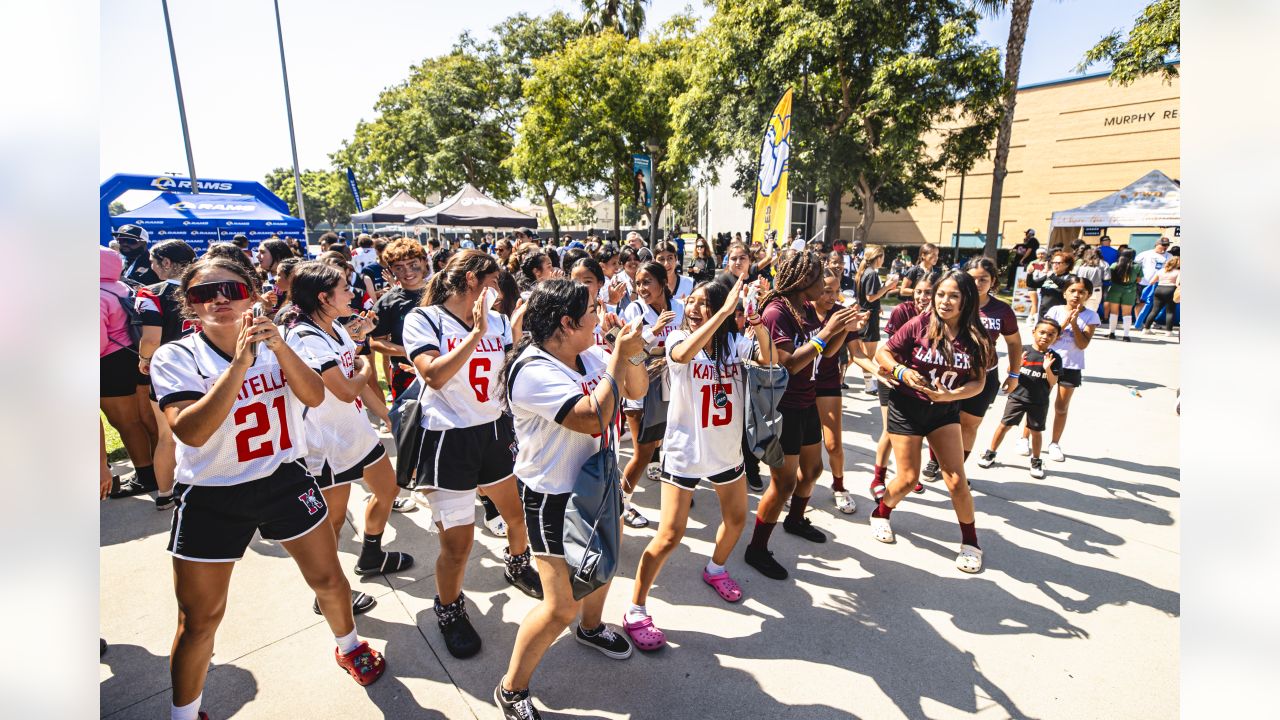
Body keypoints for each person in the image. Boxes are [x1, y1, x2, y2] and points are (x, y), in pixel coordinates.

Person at [150, 257, 385, 720]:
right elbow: (190, 432)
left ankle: (348, 644)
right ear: (189, 306)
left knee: (329, 579)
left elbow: (315, 396)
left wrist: (276, 349)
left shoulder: (280, 343)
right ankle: (185, 711)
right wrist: (239, 363)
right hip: (213, 491)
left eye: (232, 290)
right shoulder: (176, 356)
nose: (219, 299)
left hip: (282, 476)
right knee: (199, 619)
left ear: (254, 295)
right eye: (204, 293)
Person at [495, 280, 648, 720]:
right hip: (552, 497)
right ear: (566, 323)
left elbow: (635, 390)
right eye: (591, 311)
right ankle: (511, 688)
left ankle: (593, 627)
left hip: (598, 483)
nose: (599, 316)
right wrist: (618, 357)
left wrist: (630, 352)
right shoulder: (531, 369)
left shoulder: (591, 354)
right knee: (559, 605)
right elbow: (593, 419)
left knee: (602, 567)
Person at [401, 250, 542, 658]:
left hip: (494, 431)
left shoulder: (499, 320)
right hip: (449, 439)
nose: (499, 289)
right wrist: (476, 334)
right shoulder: (423, 319)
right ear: (469, 281)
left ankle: (517, 566)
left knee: (517, 516)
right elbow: (433, 375)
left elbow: (510, 369)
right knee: (458, 545)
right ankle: (449, 609)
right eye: (492, 280)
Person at [624, 273, 776, 650]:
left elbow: (770, 360)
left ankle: (716, 569)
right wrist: (721, 312)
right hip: (685, 453)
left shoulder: (733, 344)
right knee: (669, 536)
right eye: (690, 300)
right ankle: (636, 608)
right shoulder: (678, 337)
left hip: (726, 451)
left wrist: (757, 329)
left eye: (703, 303)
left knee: (737, 519)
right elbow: (680, 355)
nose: (692, 307)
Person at [281, 261, 414, 618]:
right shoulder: (303, 336)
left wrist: (389, 417)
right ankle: (327, 590)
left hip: (354, 430)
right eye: (343, 289)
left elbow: (352, 377)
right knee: (332, 523)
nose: (352, 293)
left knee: (388, 490)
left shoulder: (332, 327)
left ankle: (371, 554)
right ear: (323, 297)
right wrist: (367, 368)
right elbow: (343, 388)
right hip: (324, 443)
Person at [745, 251, 865, 580]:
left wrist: (842, 327)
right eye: (817, 278)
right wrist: (827, 331)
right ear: (802, 280)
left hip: (806, 401)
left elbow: (824, 357)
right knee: (782, 483)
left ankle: (795, 519)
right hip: (781, 407)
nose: (824, 284)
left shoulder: (805, 309)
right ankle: (756, 548)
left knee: (812, 469)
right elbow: (789, 362)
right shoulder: (776, 311)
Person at [872, 270, 995, 573]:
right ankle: (881, 513)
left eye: (953, 295)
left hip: (944, 412)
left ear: (966, 299)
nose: (945, 301)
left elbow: (978, 383)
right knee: (909, 478)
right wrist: (902, 372)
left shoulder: (977, 337)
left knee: (956, 480)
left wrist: (949, 396)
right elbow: (883, 353)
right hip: (907, 408)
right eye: (941, 294)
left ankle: (970, 542)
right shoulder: (919, 324)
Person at [922, 256, 1022, 481]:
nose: (978, 284)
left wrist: (1014, 374)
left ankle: (957, 468)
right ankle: (934, 460)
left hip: (984, 376)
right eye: (973, 279)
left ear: (993, 281)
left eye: (984, 279)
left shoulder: (1002, 310)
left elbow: (1015, 343)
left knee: (969, 424)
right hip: (949, 373)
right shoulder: (950, 304)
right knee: (939, 420)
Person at [619, 261, 685, 528]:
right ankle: (622, 503)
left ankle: (680, 492)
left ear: (663, 283)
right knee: (642, 453)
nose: (641, 288)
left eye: (647, 282)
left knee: (669, 443)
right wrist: (654, 331)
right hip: (641, 386)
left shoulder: (679, 307)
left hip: (674, 384)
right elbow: (629, 352)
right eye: (637, 283)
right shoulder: (635, 310)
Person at [136, 239, 199, 510]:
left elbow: (151, 339)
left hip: (170, 371)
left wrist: (144, 359)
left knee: (167, 436)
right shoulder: (205, 287)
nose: (151, 266)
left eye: (153, 261)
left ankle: (164, 493)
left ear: (166, 262)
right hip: (207, 367)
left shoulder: (151, 293)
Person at [1020, 276, 1099, 462]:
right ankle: (1024, 438)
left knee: (1061, 407)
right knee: (1034, 402)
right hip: (1047, 361)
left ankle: (1054, 443)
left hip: (1071, 366)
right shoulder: (1055, 311)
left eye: (1082, 292)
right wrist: (1066, 321)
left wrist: (1075, 323)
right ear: (1065, 293)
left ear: (1088, 295)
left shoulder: (1091, 316)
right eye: (1072, 291)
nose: (1076, 295)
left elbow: (1082, 344)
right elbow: (1049, 337)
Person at [101, 246, 159, 498]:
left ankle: (146, 476)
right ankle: (159, 469)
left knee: (126, 423)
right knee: (144, 419)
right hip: (133, 358)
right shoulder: (122, 286)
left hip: (110, 364)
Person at [813, 268, 872, 514]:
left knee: (834, 444)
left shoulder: (843, 313)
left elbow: (857, 354)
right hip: (798, 385)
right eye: (827, 291)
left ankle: (839, 486)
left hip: (827, 383)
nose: (832, 297)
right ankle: (795, 486)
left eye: (837, 291)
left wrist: (882, 373)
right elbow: (822, 350)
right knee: (801, 447)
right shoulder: (800, 311)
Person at [871, 275, 934, 501]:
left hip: (919, 383)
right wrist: (902, 371)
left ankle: (906, 476)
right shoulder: (902, 311)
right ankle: (878, 478)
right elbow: (891, 350)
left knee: (915, 432)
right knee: (890, 430)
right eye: (918, 291)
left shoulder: (941, 318)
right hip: (894, 377)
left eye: (928, 292)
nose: (922, 297)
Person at [977, 318, 1062, 479]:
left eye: (1051, 334)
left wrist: (1047, 368)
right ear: (1034, 332)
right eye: (1042, 332)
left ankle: (1036, 460)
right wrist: (1019, 364)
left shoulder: (1054, 357)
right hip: (1017, 397)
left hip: (1039, 401)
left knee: (1036, 431)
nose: (1045, 336)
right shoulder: (1024, 350)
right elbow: (1011, 370)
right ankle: (990, 453)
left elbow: (1052, 382)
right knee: (1004, 425)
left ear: (1057, 337)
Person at [369, 238, 431, 402]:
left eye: (412, 264)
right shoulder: (387, 302)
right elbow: (376, 342)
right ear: (391, 270)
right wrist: (409, 351)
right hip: (405, 373)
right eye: (399, 267)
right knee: (409, 424)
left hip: (445, 369)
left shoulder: (441, 293)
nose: (408, 272)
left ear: (424, 262)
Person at [854, 245, 900, 394]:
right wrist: (887, 286)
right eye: (883, 257)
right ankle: (869, 385)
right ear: (878, 258)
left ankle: (840, 377)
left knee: (856, 352)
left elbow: (867, 297)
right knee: (867, 354)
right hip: (869, 317)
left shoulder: (864, 272)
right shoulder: (871, 273)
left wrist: (878, 304)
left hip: (864, 313)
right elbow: (870, 296)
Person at [1025, 250, 1073, 321]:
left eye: (1058, 263)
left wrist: (1049, 274)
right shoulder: (1049, 276)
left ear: (1067, 265)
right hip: (1044, 312)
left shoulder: (1071, 278)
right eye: (1053, 262)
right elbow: (1032, 284)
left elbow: (1063, 285)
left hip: (1060, 314)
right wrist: (1029, 273)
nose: (1054, 265)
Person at [1103, 248, 1139, 341]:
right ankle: (1126, 336)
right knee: (1127, 314)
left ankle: (1112, 333)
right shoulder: (1137, 266)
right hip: (1130, 291)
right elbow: (1139, 280)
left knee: (1113, 313)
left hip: (1115, 289)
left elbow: (1110, 277)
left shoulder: (1114, 265)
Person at [1142, 256, 1181, 335]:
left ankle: (1146, 329)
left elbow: (1152, 281)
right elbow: (1177, 284)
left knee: (1154, 310)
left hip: (1159, 289)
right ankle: (1169, 331)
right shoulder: (1178, 272)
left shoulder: (1161, 270)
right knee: (1170, 311)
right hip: (1171, 290)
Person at [1134, 237, 1172, 316]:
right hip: (1143, 283)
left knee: (1156, 305)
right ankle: (1139, 321)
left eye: (1167, 245)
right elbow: (1135, 266)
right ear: (1157, 244)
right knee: (1141, 303)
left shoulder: (1170, 256)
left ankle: (1150, 322)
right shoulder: (1145, 254)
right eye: (1163, 245)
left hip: (1160, 285)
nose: (1165, 247)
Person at [1075, 248, 1109, 313]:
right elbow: (1106, 278)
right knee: (1092, 312)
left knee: (1079, 311)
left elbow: (1076, 277)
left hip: (1082, 289)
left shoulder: (1081, 266)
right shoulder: (1104, 264)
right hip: (1096, 290)